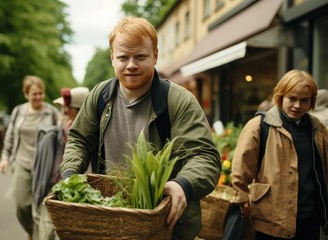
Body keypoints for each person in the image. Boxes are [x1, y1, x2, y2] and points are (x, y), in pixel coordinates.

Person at [59, 16, 221, 240]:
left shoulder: (179, 100)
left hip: (164, 225)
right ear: (112, 59)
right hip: (109, 217)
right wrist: (70, 175)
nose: (131, 64)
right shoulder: (99, 96)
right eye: (123, 57)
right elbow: (79, 140)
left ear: (155, 55)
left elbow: (204, 156)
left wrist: (183, 185)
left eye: (140, 56)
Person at [231, 70, 328, 239]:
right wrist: (241, 197)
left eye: (304, 100)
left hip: (310, 217)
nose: (297, 105)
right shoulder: (259, 126)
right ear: (280, 97)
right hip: (270, 220)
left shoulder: (317, 129)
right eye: (292, 99)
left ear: (311, 102)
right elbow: (241, 167)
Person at [0, 76, 61, 240]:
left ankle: (39, 235)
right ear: (26, 94)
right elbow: (10, 136)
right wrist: (5, 157)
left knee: (42, 207)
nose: (38, 97)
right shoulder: (19, 111)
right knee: (21, 205)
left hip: (45, 167)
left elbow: (61, 138)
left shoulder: (52, 113)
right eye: (34, 94)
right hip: (22, 162)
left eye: (41, 93)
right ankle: (33, 232)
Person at [34, 86, 89, 240]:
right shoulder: (60, 127)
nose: (63, 111)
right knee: (45, 232)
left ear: (78, 110)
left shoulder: (89, 131)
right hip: (55, 187)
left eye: (67, 107)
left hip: (77, 190)